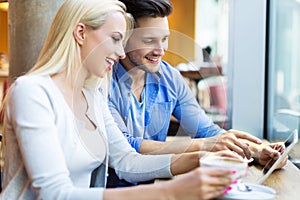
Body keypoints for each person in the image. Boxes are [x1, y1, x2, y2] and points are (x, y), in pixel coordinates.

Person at [0, 0, 239, 199]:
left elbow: (126, 161)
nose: (121, 52)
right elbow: (54, 194)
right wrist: (170, 192)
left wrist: (201, 157)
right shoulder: (32, 92)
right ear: (80, 33)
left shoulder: (92, 95)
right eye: (115, 38)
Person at [108, 0, 287, 168]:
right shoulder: (103, 81)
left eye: (164, 39)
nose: (160, 51)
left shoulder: (170, 78)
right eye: (149, 40)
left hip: (158, 181)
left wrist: (256, 151)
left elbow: (206, 131)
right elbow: (124, 145)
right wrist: (205, 145)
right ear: (124, 38)